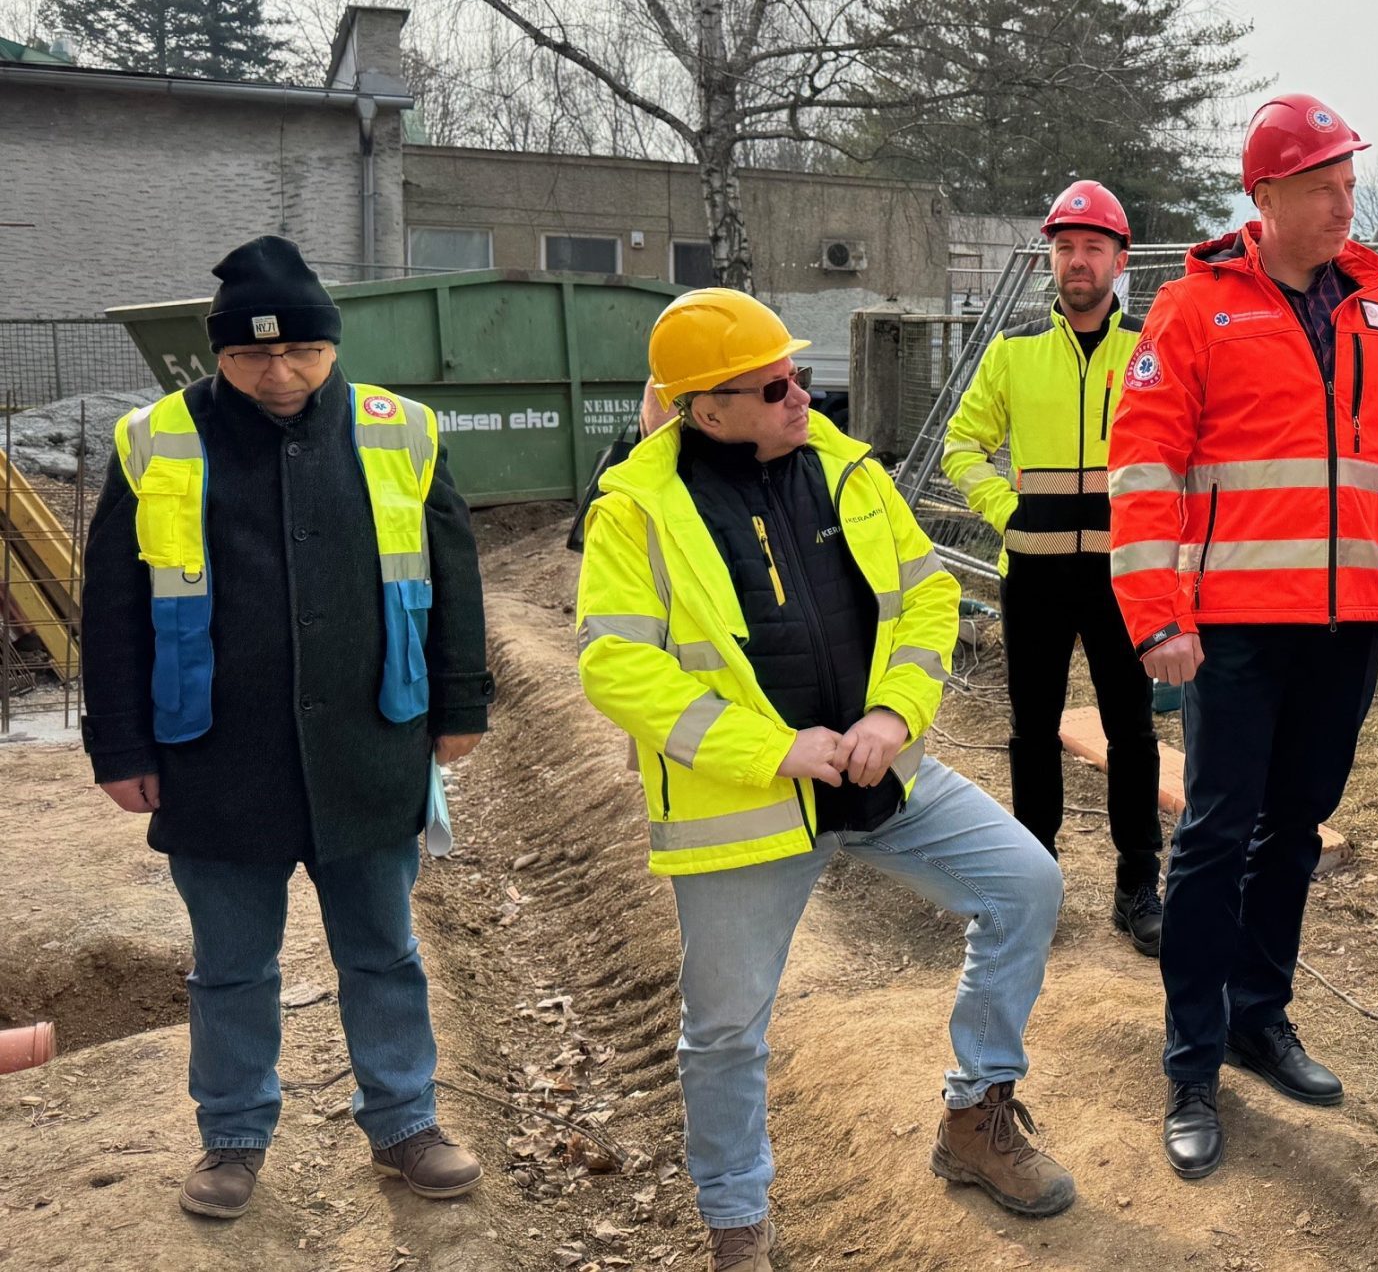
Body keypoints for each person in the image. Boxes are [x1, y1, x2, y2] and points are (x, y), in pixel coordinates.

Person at [575, 289, 1075, 1272]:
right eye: (772, 385)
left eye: (798, 373)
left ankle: (975, 1117)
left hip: (879, 777)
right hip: (745, 807)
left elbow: (929, 591)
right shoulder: (637, 513)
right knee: (723, 1030)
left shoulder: (844, 468)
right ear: (702, 408)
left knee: (1025, 884)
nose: (799, 393)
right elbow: (614, 667)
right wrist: (771, 749)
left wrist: (893, 715)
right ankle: (736, 1223)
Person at [79, 235, 492, 1221]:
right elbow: (113, 606)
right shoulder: (156, 440)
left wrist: (460, 704)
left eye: (301, 352)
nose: (279, 372)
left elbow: (454, 578)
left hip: (367, 740)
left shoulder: (401, 431)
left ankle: (405, 1122)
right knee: (229, 964)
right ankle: (231, 1136)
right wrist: (122, 745)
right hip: (214, 751)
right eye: (252, 355)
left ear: (330, 346)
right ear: (217, 354)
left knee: (383, 951)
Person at [1107, 93, 1378, 1178]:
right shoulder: (1191, 310)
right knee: (1216, 836)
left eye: (1349, 186)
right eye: (1322, 188)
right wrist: (1157, 615)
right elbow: (1144, 476)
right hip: (1231, 629)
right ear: (1263, 198)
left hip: (1345, 624)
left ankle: (1260, 1018)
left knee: (1298, 826)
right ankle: (1190, 1059)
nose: (1341, 207)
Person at [942, 179, 1164, 954]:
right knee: (1032, 732)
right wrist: (1007, 510)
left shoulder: (1148, 354)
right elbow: (960, 446)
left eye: (1093, 248)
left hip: (1122, 578)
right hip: (1033, 575)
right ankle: (1029, 881)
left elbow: (1182, 454)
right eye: (1065, 248)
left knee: (1132, 733)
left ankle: (1140, 883)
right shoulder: (1014, 354)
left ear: (1119, 262)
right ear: (1052, 258)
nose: (1077, 262)